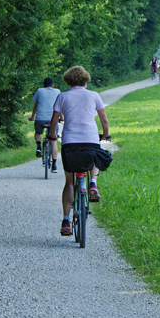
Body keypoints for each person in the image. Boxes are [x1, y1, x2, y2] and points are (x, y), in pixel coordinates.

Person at [49, 66, 111, 236]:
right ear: (86, 80)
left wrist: (52, 135)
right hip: (90, 138)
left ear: (68, 81)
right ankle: (93, 184)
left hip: (70, 142)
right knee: (95, 156)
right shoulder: (94, 96)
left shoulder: (62, 96)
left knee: (69, 182)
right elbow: (104, 120)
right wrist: (106, 135)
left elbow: (54, 121)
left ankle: (66, 221)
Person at [28, 77, 61, 172]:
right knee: (53, 140)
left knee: (38, 133)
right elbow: (59, 107)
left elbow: (35, 106)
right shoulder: (57, 91)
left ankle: (38, 147)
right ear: (53, 85)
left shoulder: (39, 91)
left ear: (44, 85)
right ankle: (54, 165)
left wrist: (32, 117)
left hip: (40, 118)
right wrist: (62, 117)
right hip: (53, 119)